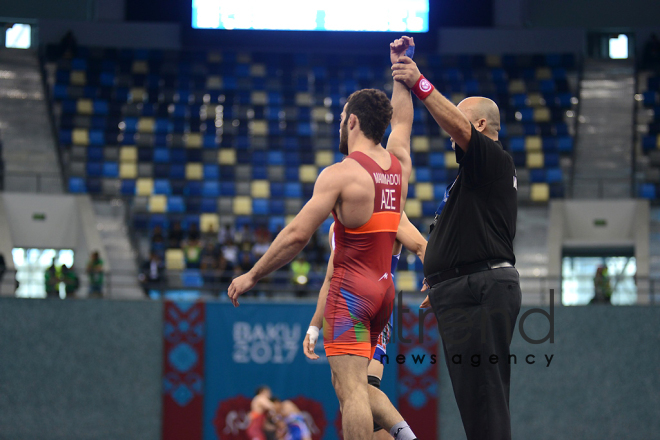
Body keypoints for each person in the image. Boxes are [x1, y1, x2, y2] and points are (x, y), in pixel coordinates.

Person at [230, 36, 417, 440]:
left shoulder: (340, 174)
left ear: (351, 121)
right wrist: (401, 70)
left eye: (341, 119)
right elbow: (402, 122)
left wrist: (252, 275)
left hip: (350, 293)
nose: (339, 125)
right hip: (385, 293)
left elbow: (298, 234)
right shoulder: (397, 168)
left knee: (351, 392)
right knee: (361, 389)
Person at [393, 55, 521, 440]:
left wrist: (419, 83)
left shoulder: (492, 160)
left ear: (479, 125)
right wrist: (445, 277)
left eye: (461, 125)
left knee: (484, 396)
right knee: (474, 399)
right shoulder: (473, 180)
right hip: (466, 289)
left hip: (481, 289)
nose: (451, 136)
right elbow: (461, 238)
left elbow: (457, 126)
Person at [303, 211, 426, 439]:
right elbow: (330, 279)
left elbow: (421, 246)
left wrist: (436, 283)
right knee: (351, 395)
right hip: (349, 304)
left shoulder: (390, 213)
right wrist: (314, 326)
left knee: (357, 388)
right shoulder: (337, 228)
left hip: (364, 303)